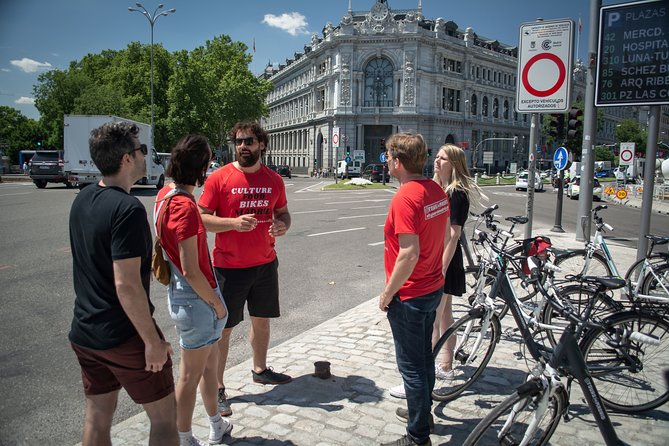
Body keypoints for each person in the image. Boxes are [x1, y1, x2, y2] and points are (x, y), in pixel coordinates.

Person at [68, 122, 177, 446]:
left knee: (97, 418)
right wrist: (152, 342)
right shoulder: (127, 209)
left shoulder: (84, 197)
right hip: (123, 336)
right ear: (127, 159)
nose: (145, 155)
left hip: (85, 332)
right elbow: (126, 285)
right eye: (141, 149)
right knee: (164, 419)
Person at [199, 121, 292, 418]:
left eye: (249, 141)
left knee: (262, 321)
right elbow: (200, 218)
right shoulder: (220, 178)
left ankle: (260, 369)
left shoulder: (274, 180)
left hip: (265, 264)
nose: (242, 146)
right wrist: (232, 224)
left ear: (262, 144)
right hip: (229, 267)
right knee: (223, 331)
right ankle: (218, 388)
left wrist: (283, 225)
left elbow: (283, 213)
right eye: (238, 141)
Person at [155, 135, 232, 446]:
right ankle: (184, 437)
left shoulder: (164, 195)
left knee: (209, 368)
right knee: (189, 377)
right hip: (196, 298)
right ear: (202, 168)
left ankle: (216, 424)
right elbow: (191, 269)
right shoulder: (185, 208)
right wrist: (217, 305)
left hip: (187, 295)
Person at [379, 132, 450, 446]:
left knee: (412, 368)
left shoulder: (405, 197)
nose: (386, 163)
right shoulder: (435, 190)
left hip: (410, 295)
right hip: (432, 287)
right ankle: (424, 415)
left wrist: (387, 294)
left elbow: (409, 253)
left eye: (387, 158)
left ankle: (417, 436)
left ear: (396, 162)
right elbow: (443, 235)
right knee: (424, 360)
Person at [431, 144, 486, 380]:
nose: (436, 161)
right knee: (444, 315)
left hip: (445, 259)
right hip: (442, 258)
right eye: (436, 156)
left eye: (442, 158)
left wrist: (441, 268)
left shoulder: (456, 193)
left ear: (453, 163)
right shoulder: (441, 188)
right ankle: (445, 365)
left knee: (433, 318)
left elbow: (454, 235)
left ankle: (430, 368)